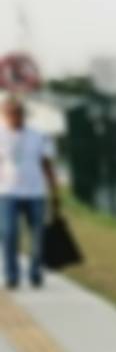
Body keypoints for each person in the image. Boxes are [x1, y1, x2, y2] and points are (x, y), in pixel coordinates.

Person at [1, 96, 60, 290]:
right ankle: (12, 275)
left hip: (35, 192)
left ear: (23, 115)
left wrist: (54, 192)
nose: (14, 117)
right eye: (9, 113)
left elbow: (46, 164)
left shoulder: (37, 136)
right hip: (8, 193)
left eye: (17, 113)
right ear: (3, 115)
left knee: (37, 235)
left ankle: (35, 272)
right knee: (9, 233)